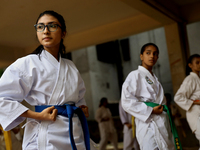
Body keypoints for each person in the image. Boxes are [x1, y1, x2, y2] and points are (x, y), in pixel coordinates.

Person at [0, 10, 90, 150]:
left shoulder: (70, 66)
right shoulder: (27, 63)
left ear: (63, 33)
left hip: (74, 133)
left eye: (52, 26)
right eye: (40, 27)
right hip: (45, 134)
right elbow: (2, 98)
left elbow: (79, 98)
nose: (46, 31)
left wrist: (81, 108)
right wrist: (37, 115)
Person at [121, 43, 175, 150]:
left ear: (158, 57)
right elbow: (126, 101)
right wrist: (150, 110)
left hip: (162, 121)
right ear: (141, 56)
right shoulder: (135, 75)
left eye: (155, 54)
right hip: (148, 122)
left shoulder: (155, 79)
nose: (152, 56)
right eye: (148, 53)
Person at [174, 54, 200, 148]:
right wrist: (195, 102)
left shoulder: (198, 79)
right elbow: (178, 97)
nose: (199, 64)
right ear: (190, 65)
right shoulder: (190, 79)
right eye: (197, 62)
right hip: (196, 115)